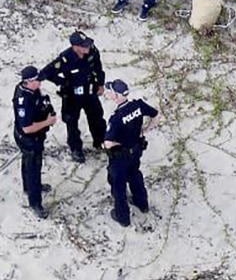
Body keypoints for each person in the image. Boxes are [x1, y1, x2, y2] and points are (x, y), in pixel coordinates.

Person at [39, 31, 106, 163]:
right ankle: (76, 149)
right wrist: (64, 82)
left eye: (87, 44)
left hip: (89, 90)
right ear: (75, 47)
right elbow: (46, 73)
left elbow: (98, 68)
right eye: (84, 46)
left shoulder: (93, 51)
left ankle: (101, 142)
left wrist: (100, 84)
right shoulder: (65, 58)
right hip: (72, 95)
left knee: (97, 117)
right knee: (71, 122)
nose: (87, 47)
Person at [103, 79, 159, 227]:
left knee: (119, 185)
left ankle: (122, 217)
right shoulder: (138, 105)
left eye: (110, 92)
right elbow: (155, 115)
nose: (108, 94)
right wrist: (144, 130)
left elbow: (108, 143)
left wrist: (118, 144)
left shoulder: (116, 118)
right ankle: (142, 203)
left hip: (121, 156)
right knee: (135, 174)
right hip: (137, 149)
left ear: (116, 96)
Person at [12, 66, 57, 219]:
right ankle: (35, 203)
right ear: (28, 82)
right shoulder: (23, 101)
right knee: (33, 169)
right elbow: (27, 128)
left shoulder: (33, 90)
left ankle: (28, 188)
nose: (40, 83)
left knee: (27, 163)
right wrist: (47, 122)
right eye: (37, 80)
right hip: (29, 139)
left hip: (36, 136)